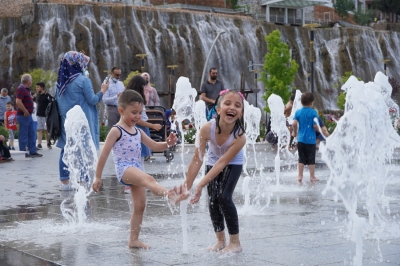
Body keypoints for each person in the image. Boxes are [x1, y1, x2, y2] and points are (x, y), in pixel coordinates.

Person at [92, 89, 188, 249]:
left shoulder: (137, 131)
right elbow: (104, 154)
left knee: (140, 206)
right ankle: (171, 196)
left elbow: (154, 145)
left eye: (140, 113)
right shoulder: (116, 130)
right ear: (121, 111)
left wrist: (168, 143)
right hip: (124, 169)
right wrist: (97, 176)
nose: (138, 116)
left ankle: (133, 240)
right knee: (149, 179)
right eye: (134, 112)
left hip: (136, 168)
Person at [185, 89, 246, 254]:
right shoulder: (206, 129)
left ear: (240, 113)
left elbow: (223, 162)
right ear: (218, 109)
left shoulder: (240, 136)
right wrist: (187, 186)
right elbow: (197, 159)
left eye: (237, 105)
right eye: (227, 103)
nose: (232, 107)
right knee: (212, 200)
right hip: (213, 161)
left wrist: (200, 185)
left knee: (224, 196)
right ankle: (220, 241)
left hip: (233, 162)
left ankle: (235, 242)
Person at [56, 51, 109, 191]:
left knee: (66, 149)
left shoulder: (61, 81)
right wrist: (103, 91)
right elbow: (92, 100)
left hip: (65, 121)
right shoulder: (83, 80)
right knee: (83, 149)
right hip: (82, 121)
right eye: (82, 63)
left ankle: (65, 183)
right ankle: (82, 181)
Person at [125, 75, 162, 163]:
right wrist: (152, 125)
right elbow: (137, 120)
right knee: (138, 156)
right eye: (143, 87)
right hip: (139, 129)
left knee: (137, 157)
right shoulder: (135, 101)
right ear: (139, 87)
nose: (145, 89)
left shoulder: (130, 98)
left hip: (140, 128)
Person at [291, 92, 320, 183]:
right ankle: (312, 177)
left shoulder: (298, 112)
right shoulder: (313, 112)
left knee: (301, 158)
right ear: (312, 103)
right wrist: (320, 131)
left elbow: (294, 123)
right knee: (311, 159)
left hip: (301, 139)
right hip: (311, 140)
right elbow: (315, 126)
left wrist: (295, 133)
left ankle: (300, 176)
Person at [15, 74, 42, 158]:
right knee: (23, 134)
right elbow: (18, 101)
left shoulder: (26, 89)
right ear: (28, 81)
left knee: (31, 133)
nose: (32, 82)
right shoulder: (21, 88)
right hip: (23, 115)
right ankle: (23, 152)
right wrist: (25, 111)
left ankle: (32, 151)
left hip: (29, 115)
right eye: (31, 80)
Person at [102, 67, 125, 132]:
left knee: (122, 129)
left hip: (121, 108)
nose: (118, 77)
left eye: (120, 75)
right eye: (117, 75)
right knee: (112, 130)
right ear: (111, 73)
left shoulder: (121, 84)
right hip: (111, 109)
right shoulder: (106, 84)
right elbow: (104, 100)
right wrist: (116, 97)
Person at [35, 82, 52, 149]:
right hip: (39, 115)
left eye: (38, 87)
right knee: (39, 129)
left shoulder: (47, 95)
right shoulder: (38, 95)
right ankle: (39, 143)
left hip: (46, 116)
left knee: (46, 130)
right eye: (36, 87)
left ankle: (48, 142)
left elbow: (51, 105)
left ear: (42, 88)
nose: (37, 88)